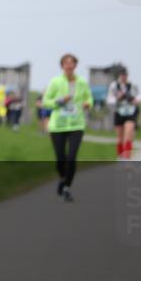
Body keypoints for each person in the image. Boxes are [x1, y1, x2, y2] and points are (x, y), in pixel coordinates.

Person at [42, 53, 93, 202]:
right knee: (60, 159)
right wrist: (59, 101)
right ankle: (62, 177)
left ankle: (66, 187)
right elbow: (46, 101)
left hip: (77, 125)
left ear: (76, 66)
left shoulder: (82, 82)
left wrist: (88, 103)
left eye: (72, 63)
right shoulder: (55, 82)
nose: (69, 66)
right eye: (66, 63)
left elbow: (89, 97)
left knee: (71, 157)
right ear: (62, 66)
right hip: (58, 126)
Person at [107, 69, 141, 160]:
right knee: (120, 138)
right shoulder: (114, 85)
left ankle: (127, 158)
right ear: (119, 76)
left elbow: (138, 97)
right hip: (119, 112)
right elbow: (109, 99)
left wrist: (133, 99)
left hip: (130, 112)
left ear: (127, 75)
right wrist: (118, 98)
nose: (123, 77)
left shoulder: (133, 85)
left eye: (125, 75)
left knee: (128, 135)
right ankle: (120, 156)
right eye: (121, 75)